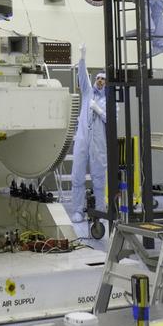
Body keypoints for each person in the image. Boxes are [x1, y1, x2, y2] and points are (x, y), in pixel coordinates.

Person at [70, 44, 107, 223]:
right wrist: (82, 57)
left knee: (99, 177)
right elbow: (82, 76)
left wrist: (98, 110)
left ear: (106, 83)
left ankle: (100, 211)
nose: (99, 80)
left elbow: (111, 119)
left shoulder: (109, 100)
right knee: (77, 174)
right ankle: (78, 210)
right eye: (98, 78)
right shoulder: (87, 93)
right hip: (83, 138)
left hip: (98, 143)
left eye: (103, 79)